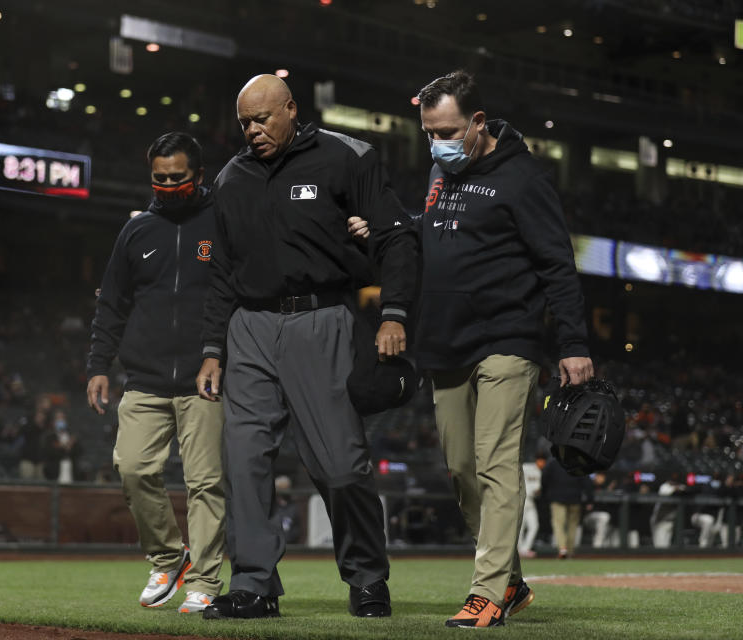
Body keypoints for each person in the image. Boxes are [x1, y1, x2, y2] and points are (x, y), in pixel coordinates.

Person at [348, 69, 593, 627]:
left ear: (479, 122)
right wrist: (387, 228)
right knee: (461, 468)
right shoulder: (441, 169)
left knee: (496, 462)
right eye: (430, 130)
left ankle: (486, 592)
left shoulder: (524, 179)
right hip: (446, 340)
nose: (439, 141)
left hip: (508, 337)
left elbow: (557, 263)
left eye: (449, 130)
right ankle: (509, 579)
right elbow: (435, 229)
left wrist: (574, 343)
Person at [196, 74, 418, 620]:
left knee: (341, 465)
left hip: (321, 317)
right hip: (248, 327)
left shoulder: (347, 156)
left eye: (263, 118)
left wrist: (393, 313)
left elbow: (397, 237)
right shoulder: (231, 178)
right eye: (245, 121)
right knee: (244, 461)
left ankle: (367, 578)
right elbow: (221, 273)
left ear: (291, 109)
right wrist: (211, 348)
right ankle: (253, 584)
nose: (253, 130)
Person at [86, 132, 226, 615]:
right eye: (159, 179)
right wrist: (98, 365)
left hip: (203, 380)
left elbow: (230, 297)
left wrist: (219, 353)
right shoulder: (137, 230)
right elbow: (112, 303)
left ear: (199, 176)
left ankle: (206, 579)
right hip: (143, 378)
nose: (168, 186)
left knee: (206, 483)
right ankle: (170, 556)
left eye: (177, 178)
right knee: (133, 467)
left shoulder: (221, 222)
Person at [542, 457, 593, 558]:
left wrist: (545, 495)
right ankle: (569, 551)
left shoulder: (553, 463)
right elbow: (587, 482)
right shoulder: (578, 462)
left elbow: (544, 479)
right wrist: (589, 500)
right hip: (575, 498)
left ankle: (562, 549)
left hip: (557, 498)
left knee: (558, 524)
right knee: (572, 526)